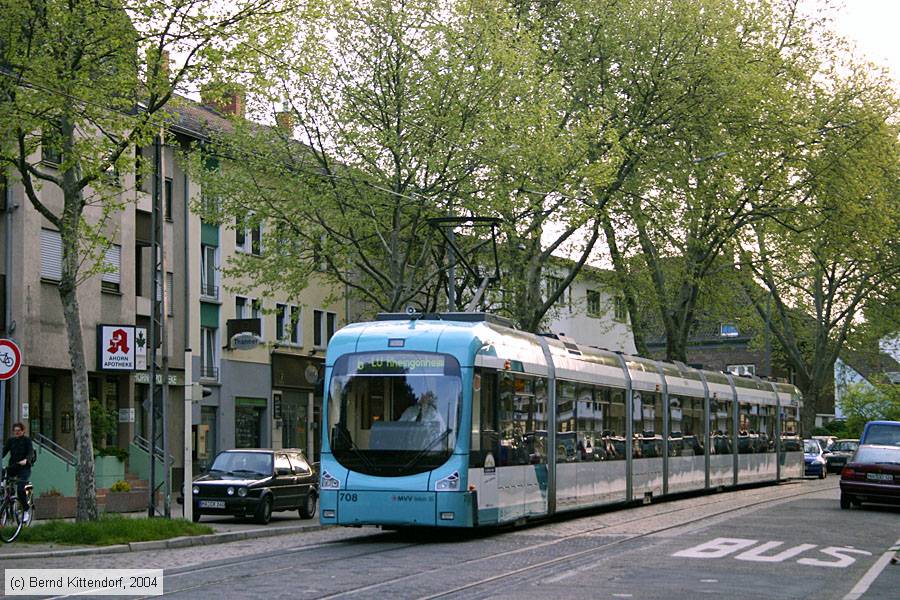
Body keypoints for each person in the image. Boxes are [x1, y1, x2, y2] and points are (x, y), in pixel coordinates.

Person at [2, 422, 34, 523]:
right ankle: (7, 501)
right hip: (13, 467)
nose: (17, 433)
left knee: (21, 489)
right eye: (15, 431)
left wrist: (26, 460)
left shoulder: (27, 440)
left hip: (24, 468)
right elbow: (3, 451)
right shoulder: (11, 441)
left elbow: (30, 452)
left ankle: (25, 510)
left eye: (19, 431)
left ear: (23, 431)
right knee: (3, 476)